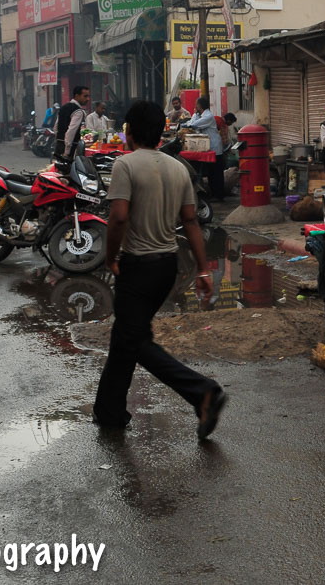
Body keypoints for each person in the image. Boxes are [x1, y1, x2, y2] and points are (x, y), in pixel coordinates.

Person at [93, 100, 227, 440]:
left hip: (137, 265)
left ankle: (202, 391)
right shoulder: (178, 168)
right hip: (167, 266)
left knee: (132, 339)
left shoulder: (125, 165)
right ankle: (109, 411)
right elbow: (191, 221)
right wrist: (202, 270)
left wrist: (110, 257)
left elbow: (119, 217)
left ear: (129, 130)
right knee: (128, 335)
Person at [55, 86, 91, 160]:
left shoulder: (64, 107)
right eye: (85, 96)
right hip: (70, 148)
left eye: (88, 96)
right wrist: (67, 151)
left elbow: (56, 127)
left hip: (59, 146)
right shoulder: (78, 111)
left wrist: (59, 140)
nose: (88, 99)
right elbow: (71, 131)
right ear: (77, 96)